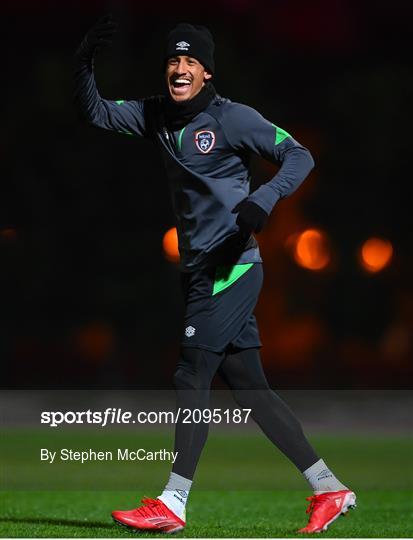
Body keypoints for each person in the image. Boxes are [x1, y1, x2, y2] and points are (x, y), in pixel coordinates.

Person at [74, 16, 356, 535]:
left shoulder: (232, 119)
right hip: (200, 270)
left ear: (206, 74)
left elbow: (300, 154)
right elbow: (94, 112)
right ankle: (329, 488)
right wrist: (84, 62)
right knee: (250, 387)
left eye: (190, 62)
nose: (179, 69)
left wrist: (264, 197)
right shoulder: (156, 115)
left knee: (190, 373)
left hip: (232, 269)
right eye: (172, 61)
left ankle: (174, 502)